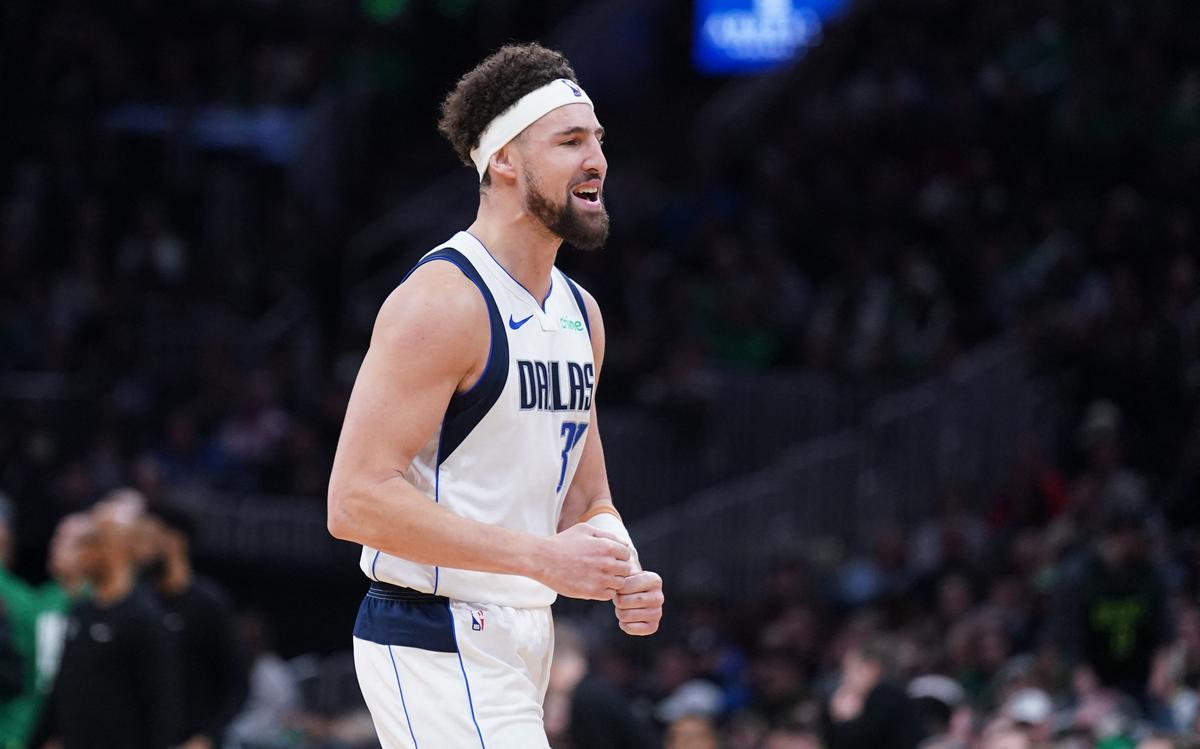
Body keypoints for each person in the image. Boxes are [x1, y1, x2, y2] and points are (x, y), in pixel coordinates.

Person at [326, 42, 665, 748]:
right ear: (504, 160)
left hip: (524, 632)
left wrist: (620, 564)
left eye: (598, 140)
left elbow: (584, 498)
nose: (597, 159)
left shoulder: (581, 314)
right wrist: (541, 558)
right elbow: (354, 499)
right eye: (570, 140)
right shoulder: (443, 302)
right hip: (434, 629)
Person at [29, 506, 179, 749]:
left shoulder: (145, 618)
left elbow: (161, 709)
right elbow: (59, 691)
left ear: (115, 548)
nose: (82, 552)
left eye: (91, 541)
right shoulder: (80, 611)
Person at [146, 504, 247, 749]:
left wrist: (209, 737)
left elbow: (237, 682)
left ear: (175, 541)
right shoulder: (141, 601)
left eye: (151, 538)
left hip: (193, 740)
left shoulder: (208, 603)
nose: (144, 548)